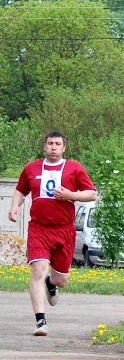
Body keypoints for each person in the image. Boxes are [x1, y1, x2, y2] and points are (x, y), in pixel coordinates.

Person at [8, 131, 97, 336]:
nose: (53, 147)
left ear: (64, 148)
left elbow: (92, 193)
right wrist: (14, 206)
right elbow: (21, 190)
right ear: (44, 146)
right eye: (50, 143)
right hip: (39, 228)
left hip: (64, 230)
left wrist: (70, 195)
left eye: (57, 144)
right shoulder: (32, 167)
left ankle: (51, 283)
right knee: (38, 271)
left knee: (60, 280)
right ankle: (41, 322)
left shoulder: (74, 168)